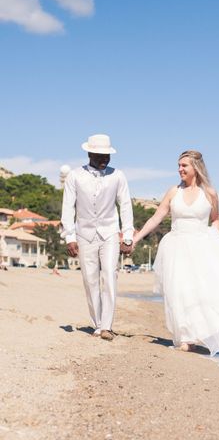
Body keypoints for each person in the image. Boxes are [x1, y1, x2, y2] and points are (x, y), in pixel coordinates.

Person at [133, 150, 219, 354]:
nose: (180, 169)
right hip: (176, 247)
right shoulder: (173, 191)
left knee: (199, 292)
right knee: (179, 292)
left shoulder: (209, 193)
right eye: (179, 165)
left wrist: (215, 239)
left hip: (202, 246)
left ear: (196, 168)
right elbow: (156, 218)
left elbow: (216, 220)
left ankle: (196, 333)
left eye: (184, 165)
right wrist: (136, 238)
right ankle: (186, 339)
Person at [61, 134, 134, 341]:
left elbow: (126, 205)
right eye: (100, 155)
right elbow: (68, 208)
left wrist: (127, 236)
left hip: (110, 232)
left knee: (110, 274)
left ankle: (107, 326)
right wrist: (69, 237)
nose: (105, 159)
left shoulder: (118, 176)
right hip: (84, 234)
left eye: (107, 155)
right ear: (89, 153)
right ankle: (97, 324)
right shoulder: (74, 176)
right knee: (90, 279)